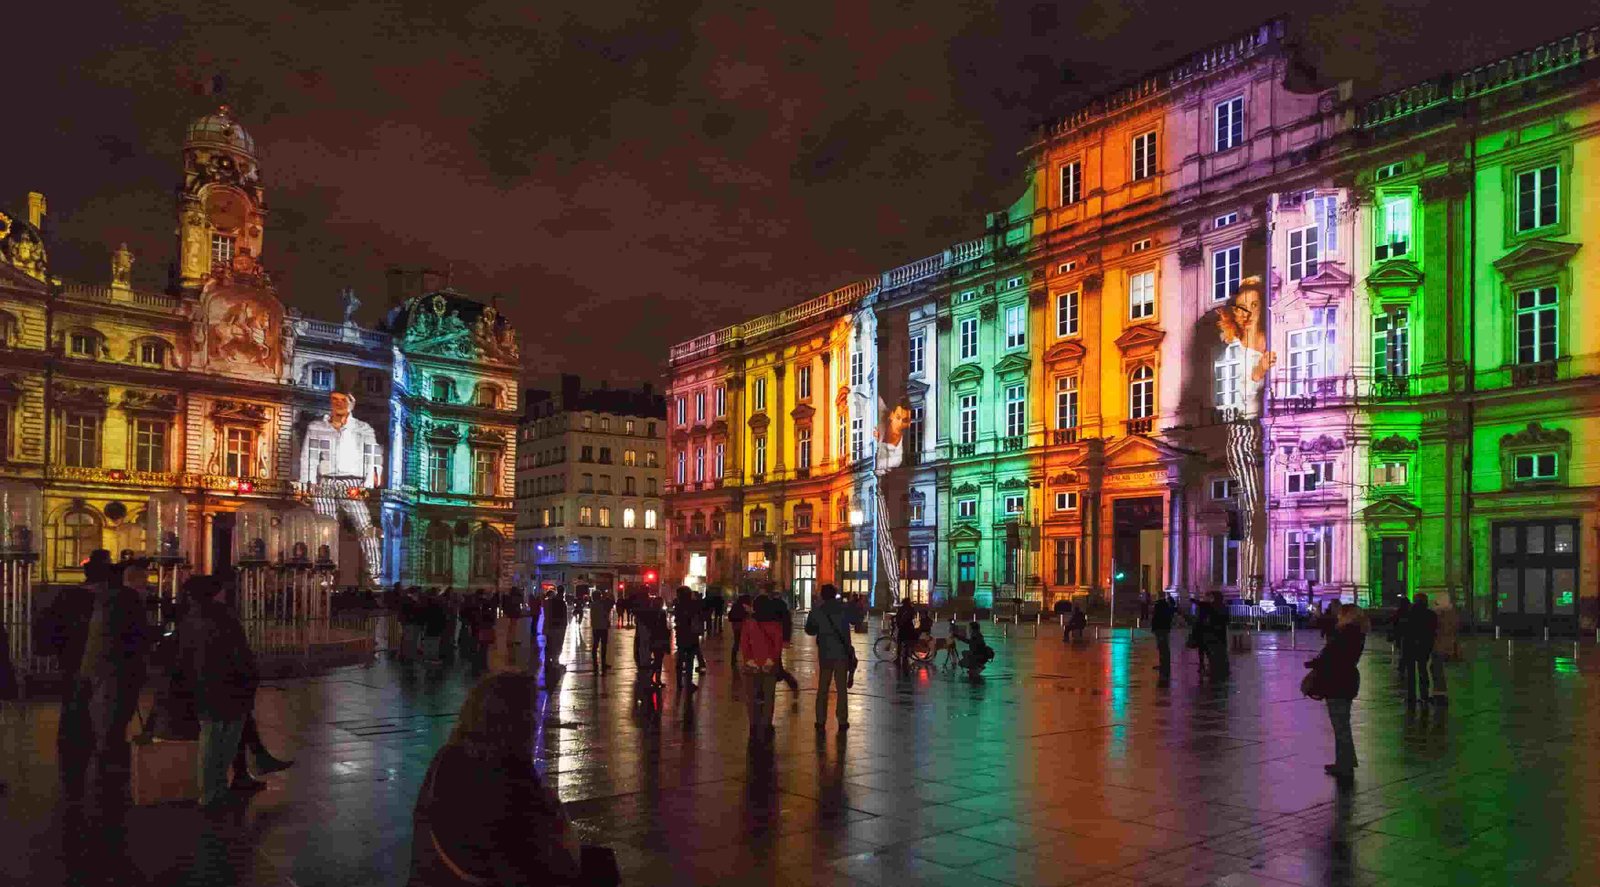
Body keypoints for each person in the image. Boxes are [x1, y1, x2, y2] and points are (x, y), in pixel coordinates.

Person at [409, 673, 591, 886]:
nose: (536, 723)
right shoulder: (513, 781)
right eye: (531, 714)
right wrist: (558, 817)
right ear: (517, 723)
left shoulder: (444, 759)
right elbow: (556, 868)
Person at [174, 575, 259, 808]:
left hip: (203, 687)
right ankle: (213, 790)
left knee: (210, 739)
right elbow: (239, 655)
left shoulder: (189, 618)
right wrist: (250, 680)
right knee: (222, 743)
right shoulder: (223, 618)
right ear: (215, 593)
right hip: (229, 686)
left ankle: (211, 790)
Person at [1304, 604, 1369, 782]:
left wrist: (1313, 664)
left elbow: (1332, 657)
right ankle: (1345, 761)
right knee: (1342, 725)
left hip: (1338, 682)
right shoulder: (1356, 633)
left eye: (1341, 615)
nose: (1338, 617)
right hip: (1347, 680)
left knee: (1340, 726)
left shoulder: (1345, 635)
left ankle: (1344, 764)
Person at [804, 584, 862, 731]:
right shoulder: (843, 608)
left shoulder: (818, 610)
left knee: (823, 687)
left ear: (822, 595)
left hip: (825, 654)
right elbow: (856, 621)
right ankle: (842, 720)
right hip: (842, 653)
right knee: (841, 688)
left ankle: (820, 720)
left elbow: (809, 630)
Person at [741, 587, 787, 745]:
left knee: (752, 696)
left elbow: (744, 645)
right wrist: (771, 660)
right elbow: (777, 646)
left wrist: (749, 660)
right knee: (769, 696)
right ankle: (767, 723)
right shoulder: (775, 625)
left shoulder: (749, 624)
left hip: (752, 665)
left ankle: (753, 724)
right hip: (769, 665)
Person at [1401, 592, 1438, 705]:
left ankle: (1411, 696)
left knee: (1411, 673)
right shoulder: (1431, 614)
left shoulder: (1408, 613)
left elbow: (1403, 628)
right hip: (1424, 645)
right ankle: (1424, 695)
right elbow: (1433, 630)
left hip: (1410, 645)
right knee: (1423, 670)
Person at [672, 587, 704, 693]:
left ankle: (679, 682)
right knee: (689, 659)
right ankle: (688, 682)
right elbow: (699, 615)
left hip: (681, 635)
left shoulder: (678, 605)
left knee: (680, 659)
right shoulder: (693, 605)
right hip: (691, 635)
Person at [1205, 591, 1230, 682]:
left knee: (1214, 651)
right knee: (1221, 650)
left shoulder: (1212, 606)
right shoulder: (1224, 607)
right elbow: (1227, 619)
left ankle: (1214, 668)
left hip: (1214, 632)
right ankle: (1222, 669)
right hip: (1220, 632)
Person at [543, 586, 569, 668]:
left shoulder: (550, 602)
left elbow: (547, 614)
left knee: (550, 643)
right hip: (559, 626)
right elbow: (564, 616)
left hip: (551, 625)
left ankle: (548, 660)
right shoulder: (562, 602)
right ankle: (555, 661)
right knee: (558, 644)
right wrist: (565, 624)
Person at [1151, 593, 1175, 680]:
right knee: (1164, 647)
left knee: (1162, 647)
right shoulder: (1167, 606)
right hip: (1164, 629)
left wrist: (1154, 628)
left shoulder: (1159, 606)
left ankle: (1164, 665)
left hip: (1160, 629)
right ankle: (1164, 665)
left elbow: (1155, 618)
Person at [589, 589, 614, 672]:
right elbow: (611, 603)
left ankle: (595, 662)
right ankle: (603, 662)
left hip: (595, 627)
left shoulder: (592, 604)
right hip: (603, 627)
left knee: (595, 645)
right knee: (603, 646)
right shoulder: (602, 604)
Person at [728, 593, 752, 666]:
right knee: (746, 643)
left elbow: (730, 616)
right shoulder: (745, 607)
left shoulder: (735, 605)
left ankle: (733, 659)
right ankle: (748, 660)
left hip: (735, 627)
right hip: (744, 627)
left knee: (736, 642)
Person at [893, 600, 918, 668]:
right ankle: (905, 657)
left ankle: (898, 658)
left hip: (902, 628)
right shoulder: (911, 609)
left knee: (899, 643)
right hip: (909, 628)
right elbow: (913, 617)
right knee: (907, 643)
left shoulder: (901, 609)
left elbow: (897, 617)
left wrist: (898, 624)